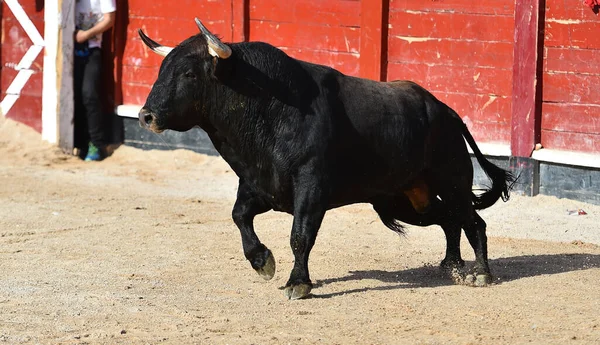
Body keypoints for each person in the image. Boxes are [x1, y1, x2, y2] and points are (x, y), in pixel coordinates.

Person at [74, 0, 116, 161]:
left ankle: (97, 144)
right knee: (74, 96)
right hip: (68, 49)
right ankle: (80, 143)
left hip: (92, 49)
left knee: (89, 94)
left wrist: (86, 35)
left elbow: (109, 19)